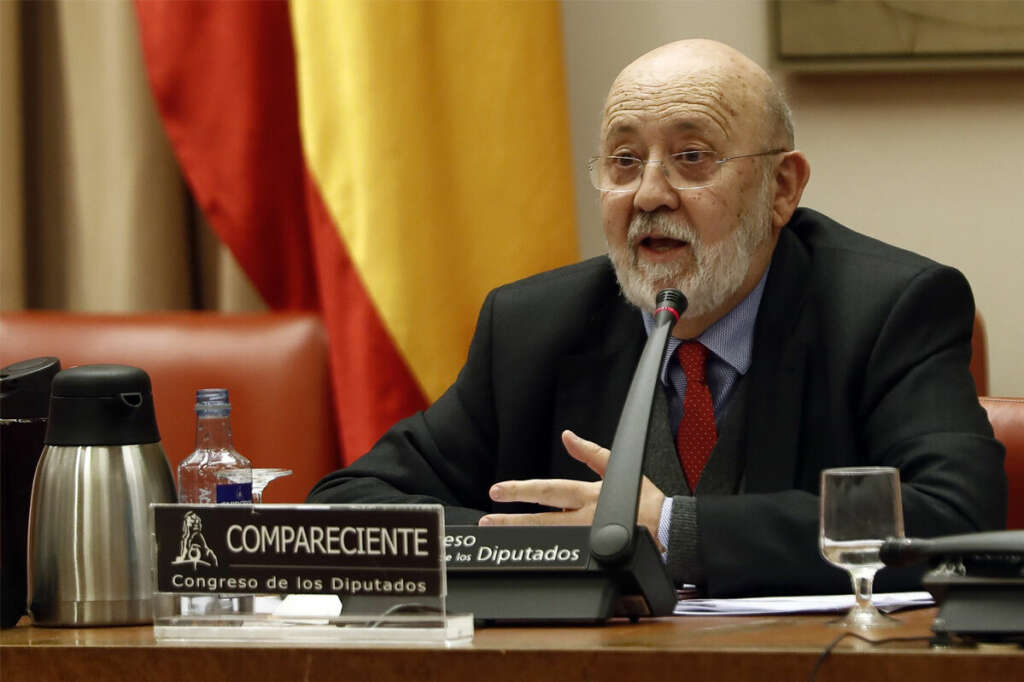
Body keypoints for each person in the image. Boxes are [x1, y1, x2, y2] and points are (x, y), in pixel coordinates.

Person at [309, 39, 1006, 596]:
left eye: (691, 158)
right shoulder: (533, 325)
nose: (648, 194)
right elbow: (348, 507)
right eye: (623, 161)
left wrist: (672, 529)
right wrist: (541, 547)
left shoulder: (888, 309)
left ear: (781, 187)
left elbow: (955, 520)